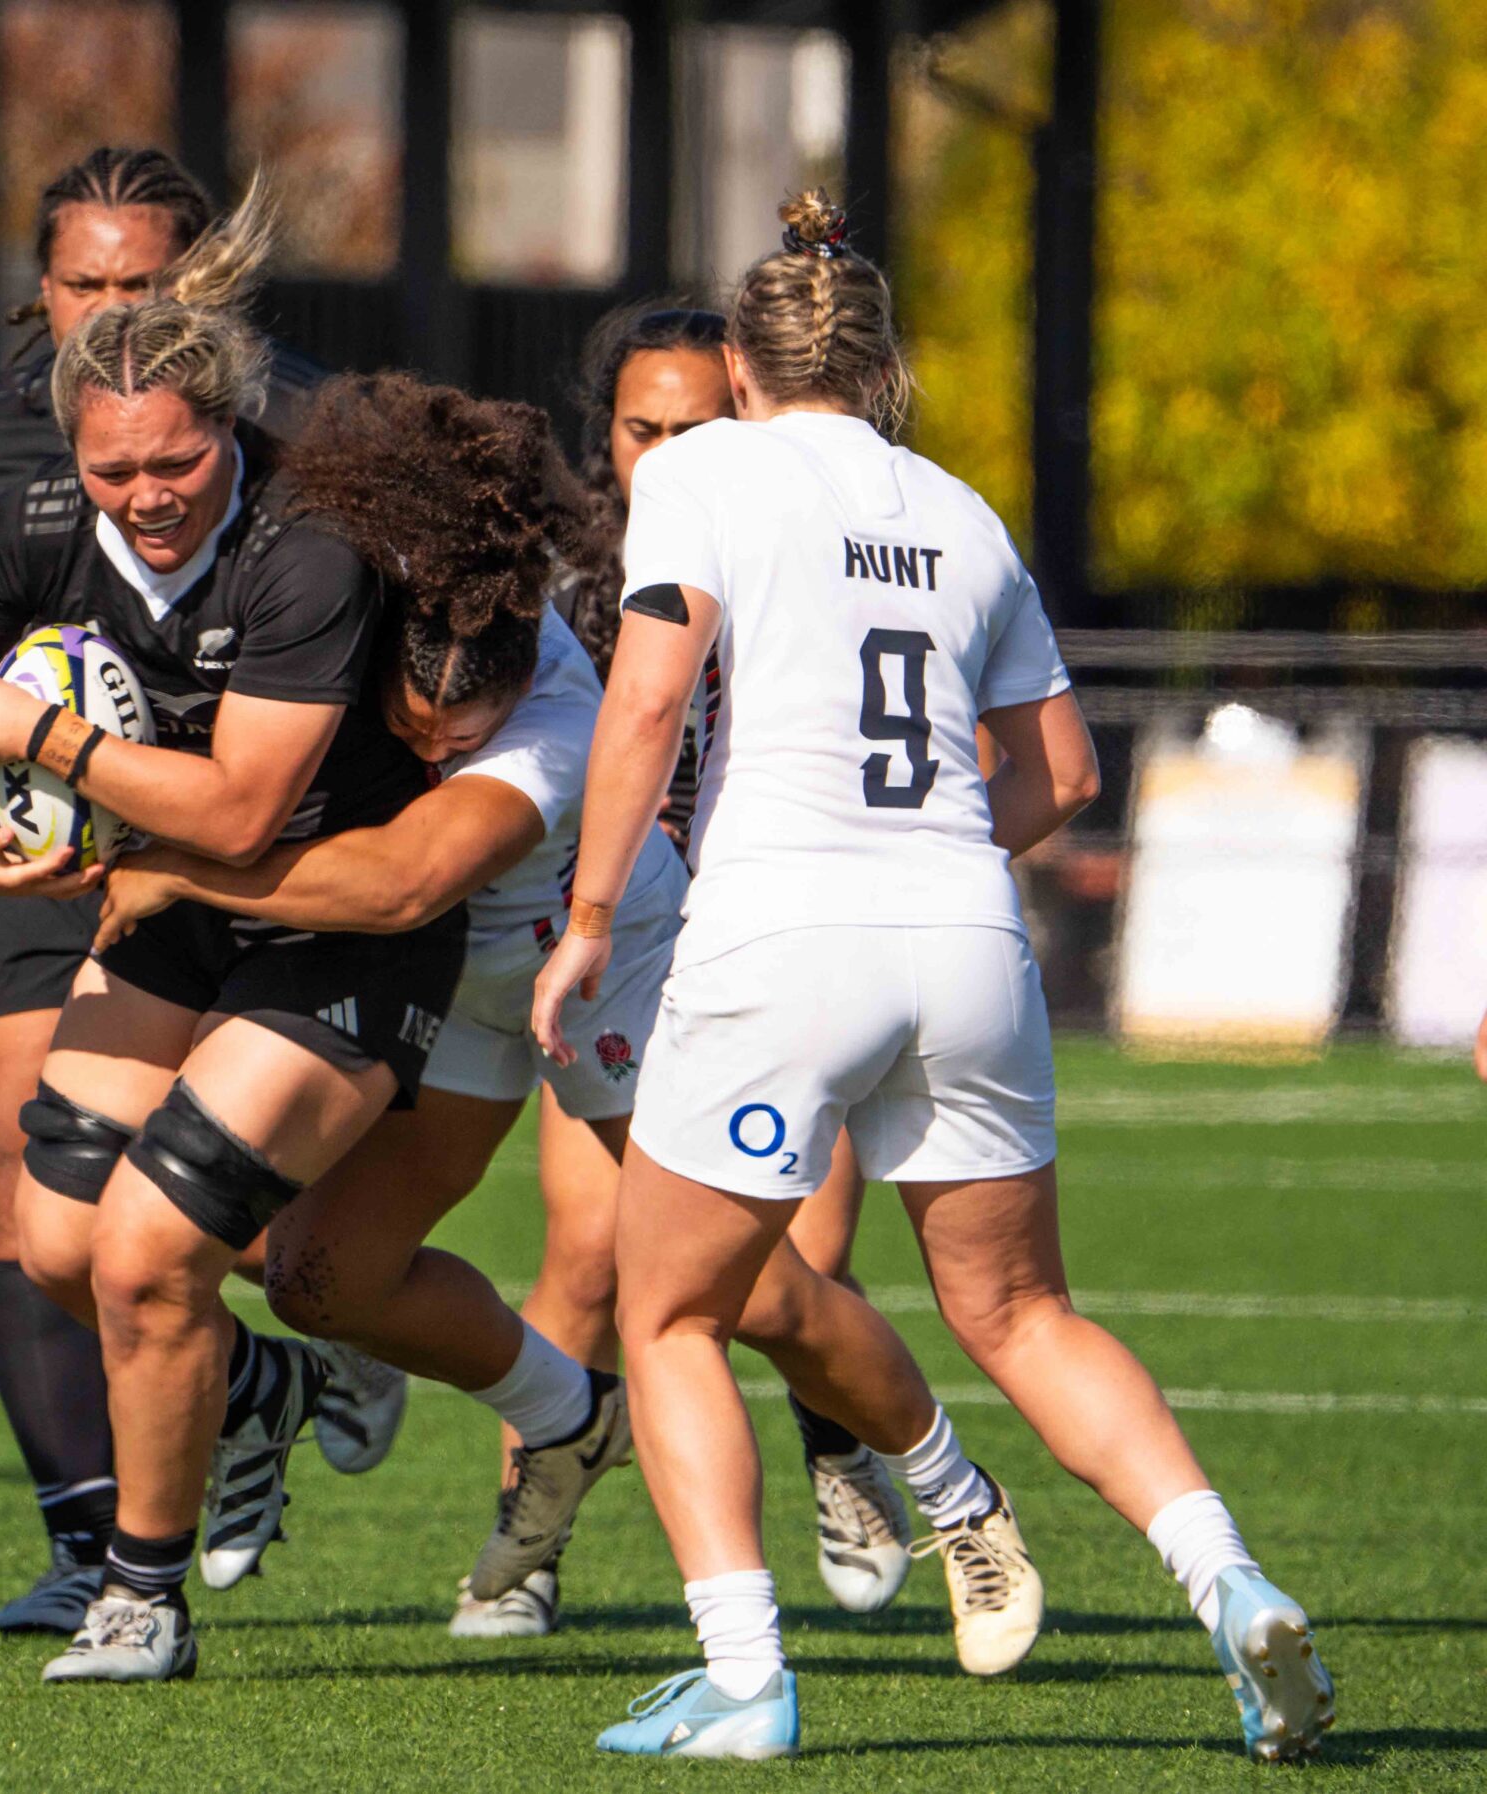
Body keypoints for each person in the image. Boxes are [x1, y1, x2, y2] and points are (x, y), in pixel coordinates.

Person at [535, 190, 1334, 1761]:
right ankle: (1231, 1583)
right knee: (1025, 1309)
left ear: (746, 372)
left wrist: (584, 919)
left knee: (673, 1311)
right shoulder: (964, 512)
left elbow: (643, 706)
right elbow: (1063, 773)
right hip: (970, 937)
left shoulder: (703, 469)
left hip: (781, 936)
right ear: (883, 369)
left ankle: (748, 1675)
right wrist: (946, 848)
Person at [97, 373, 1017, 1657]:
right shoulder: (367, 620)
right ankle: (572, 1416)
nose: (431, 758)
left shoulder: (553, 718)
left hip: (612, 968)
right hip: (458, 988)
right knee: (317, 1277)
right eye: (412, 739)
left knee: (744, 1296)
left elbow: (407, 873)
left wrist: (172, 862)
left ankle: (954, 1494)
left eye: (452, 748)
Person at [0, 192, 455, 1685]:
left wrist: (49, 737)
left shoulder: (305, 540)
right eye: (112, 464)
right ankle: (255, 1384)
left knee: (147, 1248)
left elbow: (252, 806)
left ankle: (139, 1596)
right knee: (51, 1233)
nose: (146, 493)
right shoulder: (38, 521)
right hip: (173, 904)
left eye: (178, 459)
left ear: (234, 427)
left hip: (334, 916)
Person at [0, 146, 345, 1636]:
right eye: (85, 279)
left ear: (201, 289)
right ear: (40, 287)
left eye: (145, 279)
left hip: (249, 848)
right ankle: (89, 1531)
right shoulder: (2, 442)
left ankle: (223, 1406)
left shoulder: (277, 446)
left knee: (172, 1228)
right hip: (64, 843)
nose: (112, 303)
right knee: (5, 1181)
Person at [532, 302, 903, 1632]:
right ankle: (529, 1535)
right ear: (608, 436)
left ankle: (850, 1451)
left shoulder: (799, 548)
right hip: (620, 941)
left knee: (804, 1248)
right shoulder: (567, 572)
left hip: (774, 935)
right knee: (588, 1249)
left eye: (698, 425)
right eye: (644, 429)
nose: (669, 451)